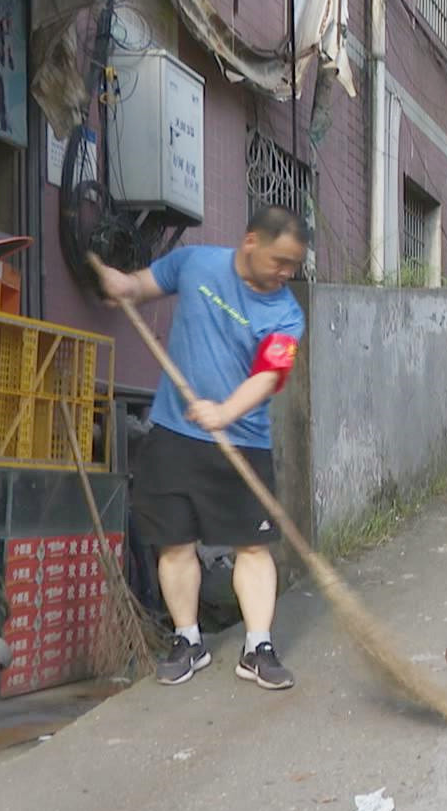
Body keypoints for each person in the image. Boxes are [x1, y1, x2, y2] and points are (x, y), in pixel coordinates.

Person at [94, 207, 310, 690]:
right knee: (175, 542)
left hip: (243, 440)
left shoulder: (286, 313)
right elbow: (141, 286)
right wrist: (118, 283)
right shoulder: (194, 264)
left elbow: (270, 376)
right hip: (175, 432)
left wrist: (226, 412)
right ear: (250, 241)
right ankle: (188, 639)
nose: (286, 273)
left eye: (293, 265)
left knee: (252, 546)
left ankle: (258, 648)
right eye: (280, 261)